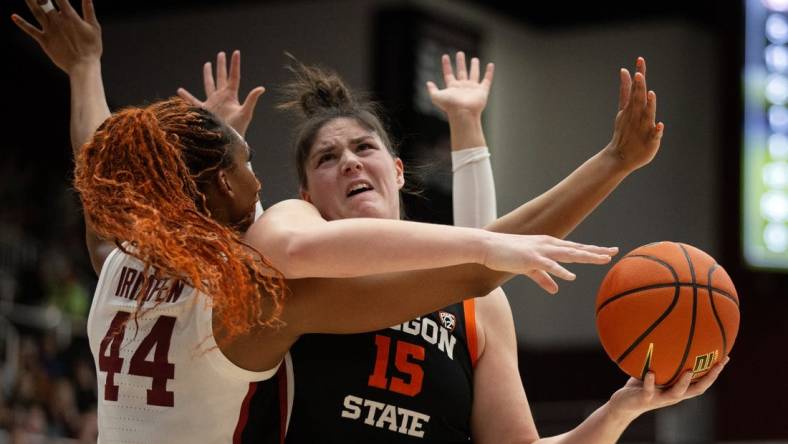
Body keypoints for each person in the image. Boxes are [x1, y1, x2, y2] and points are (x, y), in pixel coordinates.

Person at [11, 1, 616, 442]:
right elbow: (470, 277)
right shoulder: (251, 299)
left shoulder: (120, 262)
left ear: (400, 170)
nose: (258, 182)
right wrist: (609, 165)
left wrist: (85, 70)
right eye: (247, 163)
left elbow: (103, 185)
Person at [186, 47, 728, 442]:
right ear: (305, 192)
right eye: (327, 158)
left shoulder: (479, 305)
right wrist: (214, 152)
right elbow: (280, 245)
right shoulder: (291, 251)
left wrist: (621, 409)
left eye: (363, 147)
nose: (349, 161)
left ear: (398, 172)